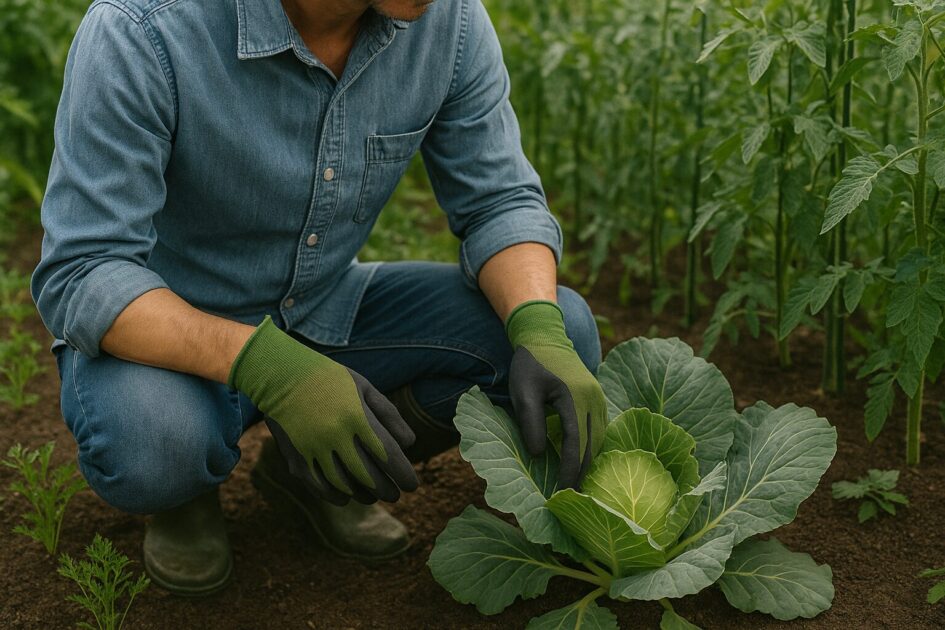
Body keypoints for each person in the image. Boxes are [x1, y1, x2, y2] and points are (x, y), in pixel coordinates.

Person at [31, 0, 608, 596]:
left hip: (323, 303)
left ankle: (316, 472)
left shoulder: (450, 23)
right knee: (154, 445)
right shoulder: (142, 30)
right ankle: (186, 496)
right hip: (166, 332)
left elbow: (499, 201)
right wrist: (275, 370)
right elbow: (86, 270)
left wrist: (537, 327)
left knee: (560, 324)